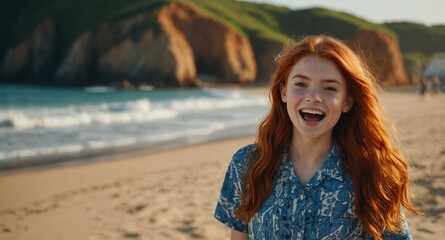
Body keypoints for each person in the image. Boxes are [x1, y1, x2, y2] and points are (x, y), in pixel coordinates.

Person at [214, 35, 419, 240]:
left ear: (347, 101)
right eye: (301, 84)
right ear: (284, 91)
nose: (313, 96)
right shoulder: (247, 164)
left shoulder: (372, 172)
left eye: (329, 88)